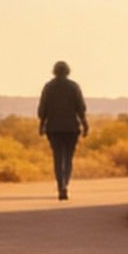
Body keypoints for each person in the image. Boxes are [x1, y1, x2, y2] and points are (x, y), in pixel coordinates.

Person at [37, 61, 88, 200]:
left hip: (53, 128)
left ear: (54, 71)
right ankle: (65, 184)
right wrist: (85, 124)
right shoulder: (73, 87)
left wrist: (41, 125)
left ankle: (61, 185)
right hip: (71, 128)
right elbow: (81, 108)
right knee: (68, 159)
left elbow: (43, 110)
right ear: (68, 71)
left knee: (58, 158)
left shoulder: (49, 87)